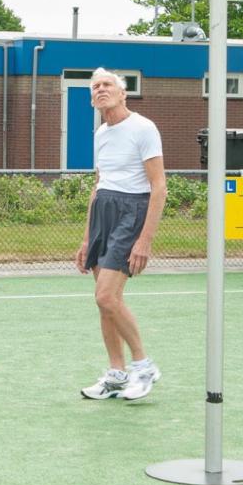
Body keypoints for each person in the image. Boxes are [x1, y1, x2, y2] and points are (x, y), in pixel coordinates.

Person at [75, 67, 167, 401]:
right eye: (95, 87)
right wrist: (87, 238)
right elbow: (98, 185)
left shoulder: (144, 128)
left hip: (132, 212)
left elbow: (159, 188)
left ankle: (143, 366)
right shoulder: (100, 134)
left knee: (106, 296)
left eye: (107, 85)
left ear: (122, 92)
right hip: (104, 210)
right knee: (106, 302)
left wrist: (145, 239)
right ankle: (116, 373)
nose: (100, 90)